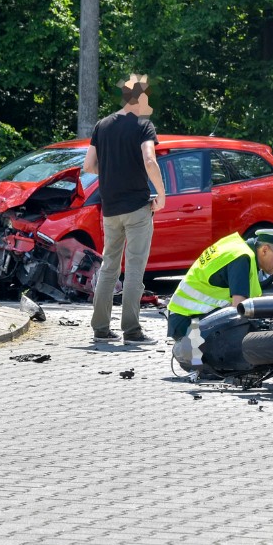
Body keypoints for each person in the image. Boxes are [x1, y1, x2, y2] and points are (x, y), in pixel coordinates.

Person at [82, 73, 167, 345]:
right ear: (140, 98)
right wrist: (162, 194)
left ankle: (101, 328)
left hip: (110, 208)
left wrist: (111, 173)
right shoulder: (143, 125)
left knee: (108, 267)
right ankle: (132, 330)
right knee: (134, 269)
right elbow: (149, 160)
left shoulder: (102, 125)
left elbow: (88, 166)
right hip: (137, 207)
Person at [166, 229, 273, 341]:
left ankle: (203, 366)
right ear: (264, 250)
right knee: (248, 329)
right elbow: (239, 308)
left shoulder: (237, 246)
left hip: (185, 318)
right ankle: (203, 366)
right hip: (188, 324)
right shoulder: (241, 258)